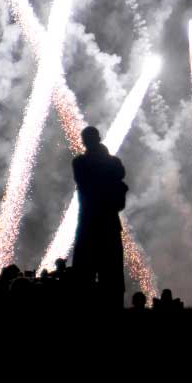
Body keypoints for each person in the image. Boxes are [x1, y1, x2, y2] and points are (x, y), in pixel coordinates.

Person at [72, 126, 127, 308]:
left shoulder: (80, 162)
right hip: (108, 226)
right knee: (111, 280)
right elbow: (118, 175)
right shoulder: (113, 163)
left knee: (84, 279)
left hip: (89, 226)